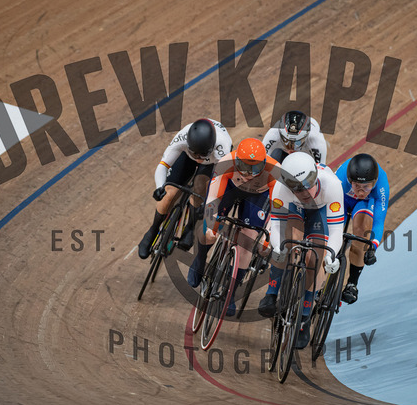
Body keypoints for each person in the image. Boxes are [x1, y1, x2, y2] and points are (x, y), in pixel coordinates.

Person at [257, 152, 344, 349]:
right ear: (288, 185)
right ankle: (272, 293)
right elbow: (277, 224)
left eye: (308, 185)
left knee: (316, 258)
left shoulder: (332, 185)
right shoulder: (281, 188)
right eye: (297, 188)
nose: (304, 192)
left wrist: (331, 255)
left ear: (315, 177)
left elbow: (336, 229)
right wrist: (278, 246)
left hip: (320, 211)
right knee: (288, 241)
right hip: (295, 209)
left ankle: (304, 317)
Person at [188, 138, 280, 317]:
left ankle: (229, 294)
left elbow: (277, 212)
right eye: (244, 167)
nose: (249, 174)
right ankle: (200, 259)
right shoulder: (226, 163)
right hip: (229, 187)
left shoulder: (275, 172)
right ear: (236, 161)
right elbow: (212, 201)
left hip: (257, 196)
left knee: (249, 239)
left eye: (255, 169)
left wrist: (268, 235)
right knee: (209, 229)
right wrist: (211, 226)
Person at [138, 118, 232, 259]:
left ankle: (190, 227)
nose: (199, 158)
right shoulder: (182, 138)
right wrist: (159, 187)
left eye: (203, 155)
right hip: (187, 157)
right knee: (168, 195)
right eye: (195, 154)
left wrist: (209, 201)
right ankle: (153, 229)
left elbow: (221, 180)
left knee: (200, 187)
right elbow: (163, 165)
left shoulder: (222, 147)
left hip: (212, 163)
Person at [335, 153, 389, 304]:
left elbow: (378, 222)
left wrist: (373, 247)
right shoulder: (340, 178)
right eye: (357, 186)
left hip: (364, 203)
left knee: (361, 230)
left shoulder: (381, 184)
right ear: (350, 180)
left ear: (374, 182)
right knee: (333, 228)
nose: (360, 191)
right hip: (342, 198)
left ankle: (352, 283)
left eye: (366, 187)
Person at [262, 110, 327, 164]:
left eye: (297, 142)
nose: (292, 148)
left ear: (307, 136)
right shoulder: (273, 134)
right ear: (280, 134)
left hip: (306, 154)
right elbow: (261, 160)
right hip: (284, 151)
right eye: (286, 141)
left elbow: (320, 170)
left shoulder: (316, 142)